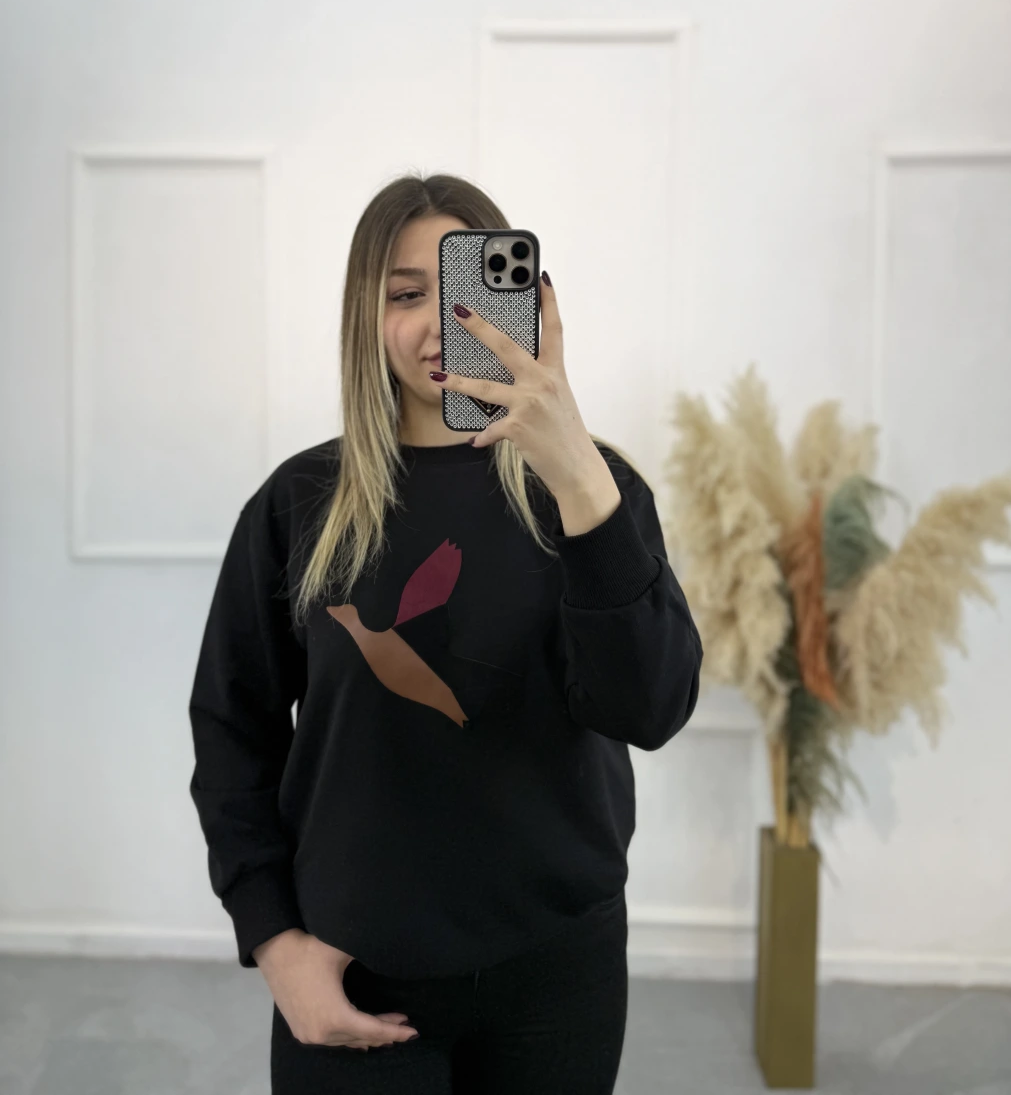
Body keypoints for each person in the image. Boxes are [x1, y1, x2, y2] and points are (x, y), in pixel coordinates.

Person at [188, 172, 703, 1094]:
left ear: (523, 305)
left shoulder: (592, 489)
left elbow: (651, 706)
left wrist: (577, 472)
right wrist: (275, 942)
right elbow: (234, 730)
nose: (438, 323)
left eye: (465, 289)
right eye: (405, 294)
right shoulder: (299, 505)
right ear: (366, 315)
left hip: (558, 971)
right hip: (356, 967)